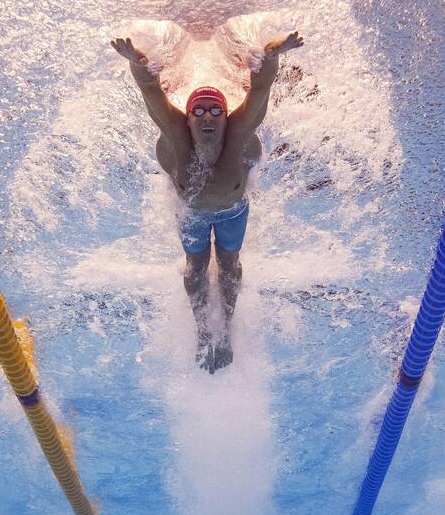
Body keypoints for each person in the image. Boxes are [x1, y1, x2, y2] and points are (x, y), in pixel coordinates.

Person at [111, 30, 304, 373]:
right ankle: (203, 333)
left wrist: (274, 54)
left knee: (229, 265)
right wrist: (136, 61)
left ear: (225, 115)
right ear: (187, 118)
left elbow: (259, 90)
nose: (207, 116)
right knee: (196, 267)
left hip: (232, 213)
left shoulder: (239, 134)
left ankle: (225, 332)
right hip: (192, 214)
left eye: (215, 110)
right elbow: (151, 91)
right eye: (197, 111)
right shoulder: (175, 137)